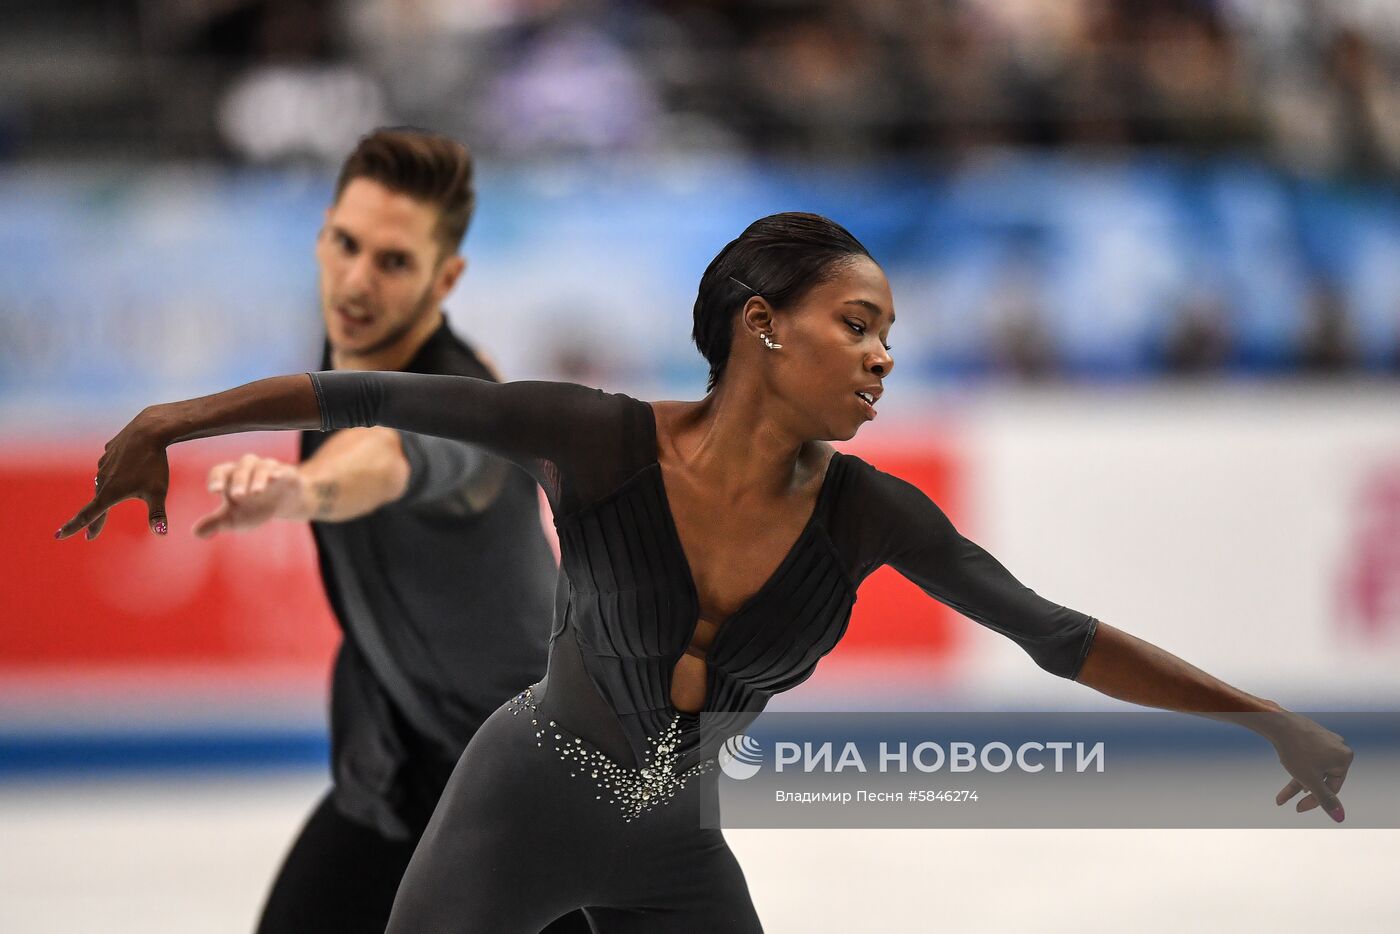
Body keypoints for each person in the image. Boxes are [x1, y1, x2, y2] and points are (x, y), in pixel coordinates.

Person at [59, 213, 1353, 933]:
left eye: (890, 335)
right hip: (519, 798)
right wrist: (168, 421)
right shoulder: (597, 435)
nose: (882, 356)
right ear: (760, 327)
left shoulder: (871, 516)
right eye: (858, 325)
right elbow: (360, 390)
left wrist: (1261, 715)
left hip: (671, 840)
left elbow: (1057, 635)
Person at [123, 128, 588, 934]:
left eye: (393, 261)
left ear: (447, 279)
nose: (357, 280)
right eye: (346, 244)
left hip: (550, 796)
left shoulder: (468, 402)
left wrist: (306, 485)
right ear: (322, 236)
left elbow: (391, 455)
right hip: (402, 780)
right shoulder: (337, 366)